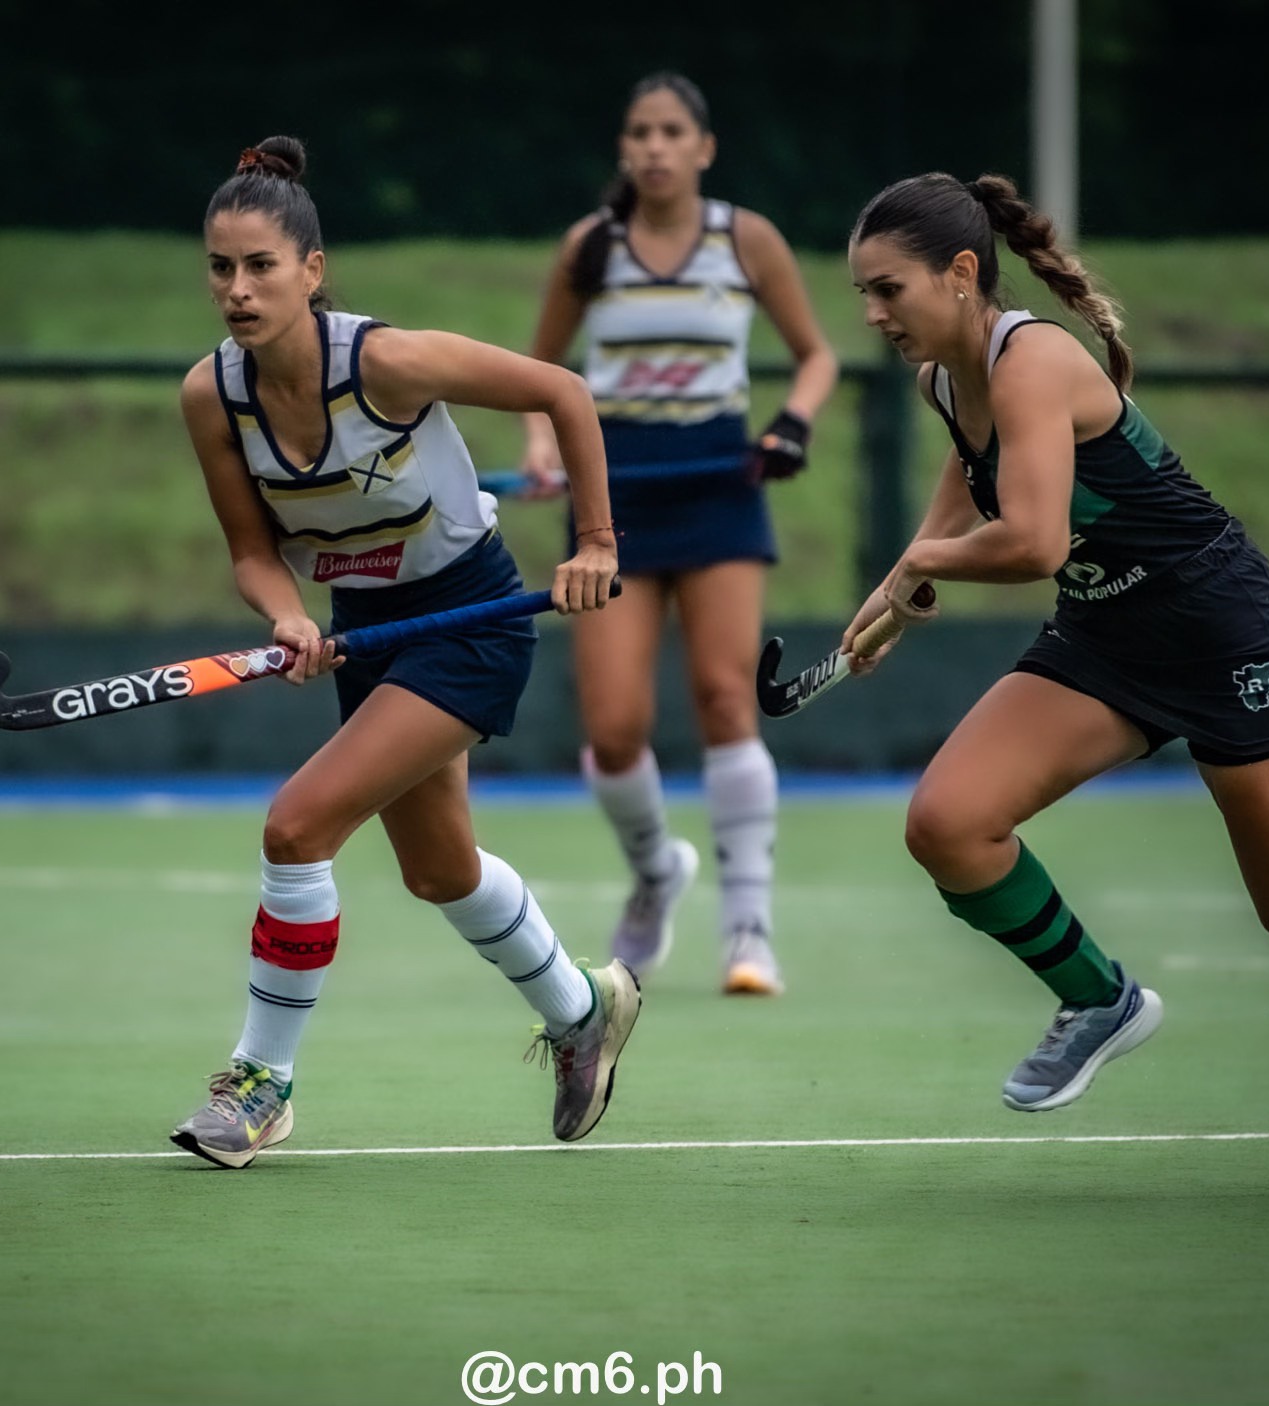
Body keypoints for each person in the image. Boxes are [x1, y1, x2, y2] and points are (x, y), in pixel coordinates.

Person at [841, 170, 1269, 1198]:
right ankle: (1099, 1001)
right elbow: (964, 490)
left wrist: (923, 569)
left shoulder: (1032, 360)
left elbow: (1032, 539)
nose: (871, 313)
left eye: (886, 288)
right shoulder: (945, 380)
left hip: (1223, 637)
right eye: (860, 290)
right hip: (1106, 640)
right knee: (948, 821)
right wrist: (893, 592)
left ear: (957, 273)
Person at [170, 136, 639, 1169]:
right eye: (220, 267)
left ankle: (261, 1082)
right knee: (438, 870)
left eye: (260, 266)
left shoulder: (383, 361)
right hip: (361, 629)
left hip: (469, 616)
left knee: (297, 827)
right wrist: (287, 616)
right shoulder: (214, 396)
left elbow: (561, 389)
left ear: (312, 270)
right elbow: (253, 549)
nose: (237, 290)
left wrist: (595, 542)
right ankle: (582, 1010)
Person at [519, 72, 838, 997]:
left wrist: (794, 424)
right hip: (611, 491)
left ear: (704, 147)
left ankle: (749, 931)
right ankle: (658, 871)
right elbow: (539, 370)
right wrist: (543, 442)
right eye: (639, 133)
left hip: (718, 482)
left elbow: (815, 354)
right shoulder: (592, 246)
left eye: (671, 132)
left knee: (725, 698)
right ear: (625, 149)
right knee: (615, 730)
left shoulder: (746, 239)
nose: (654, 148)